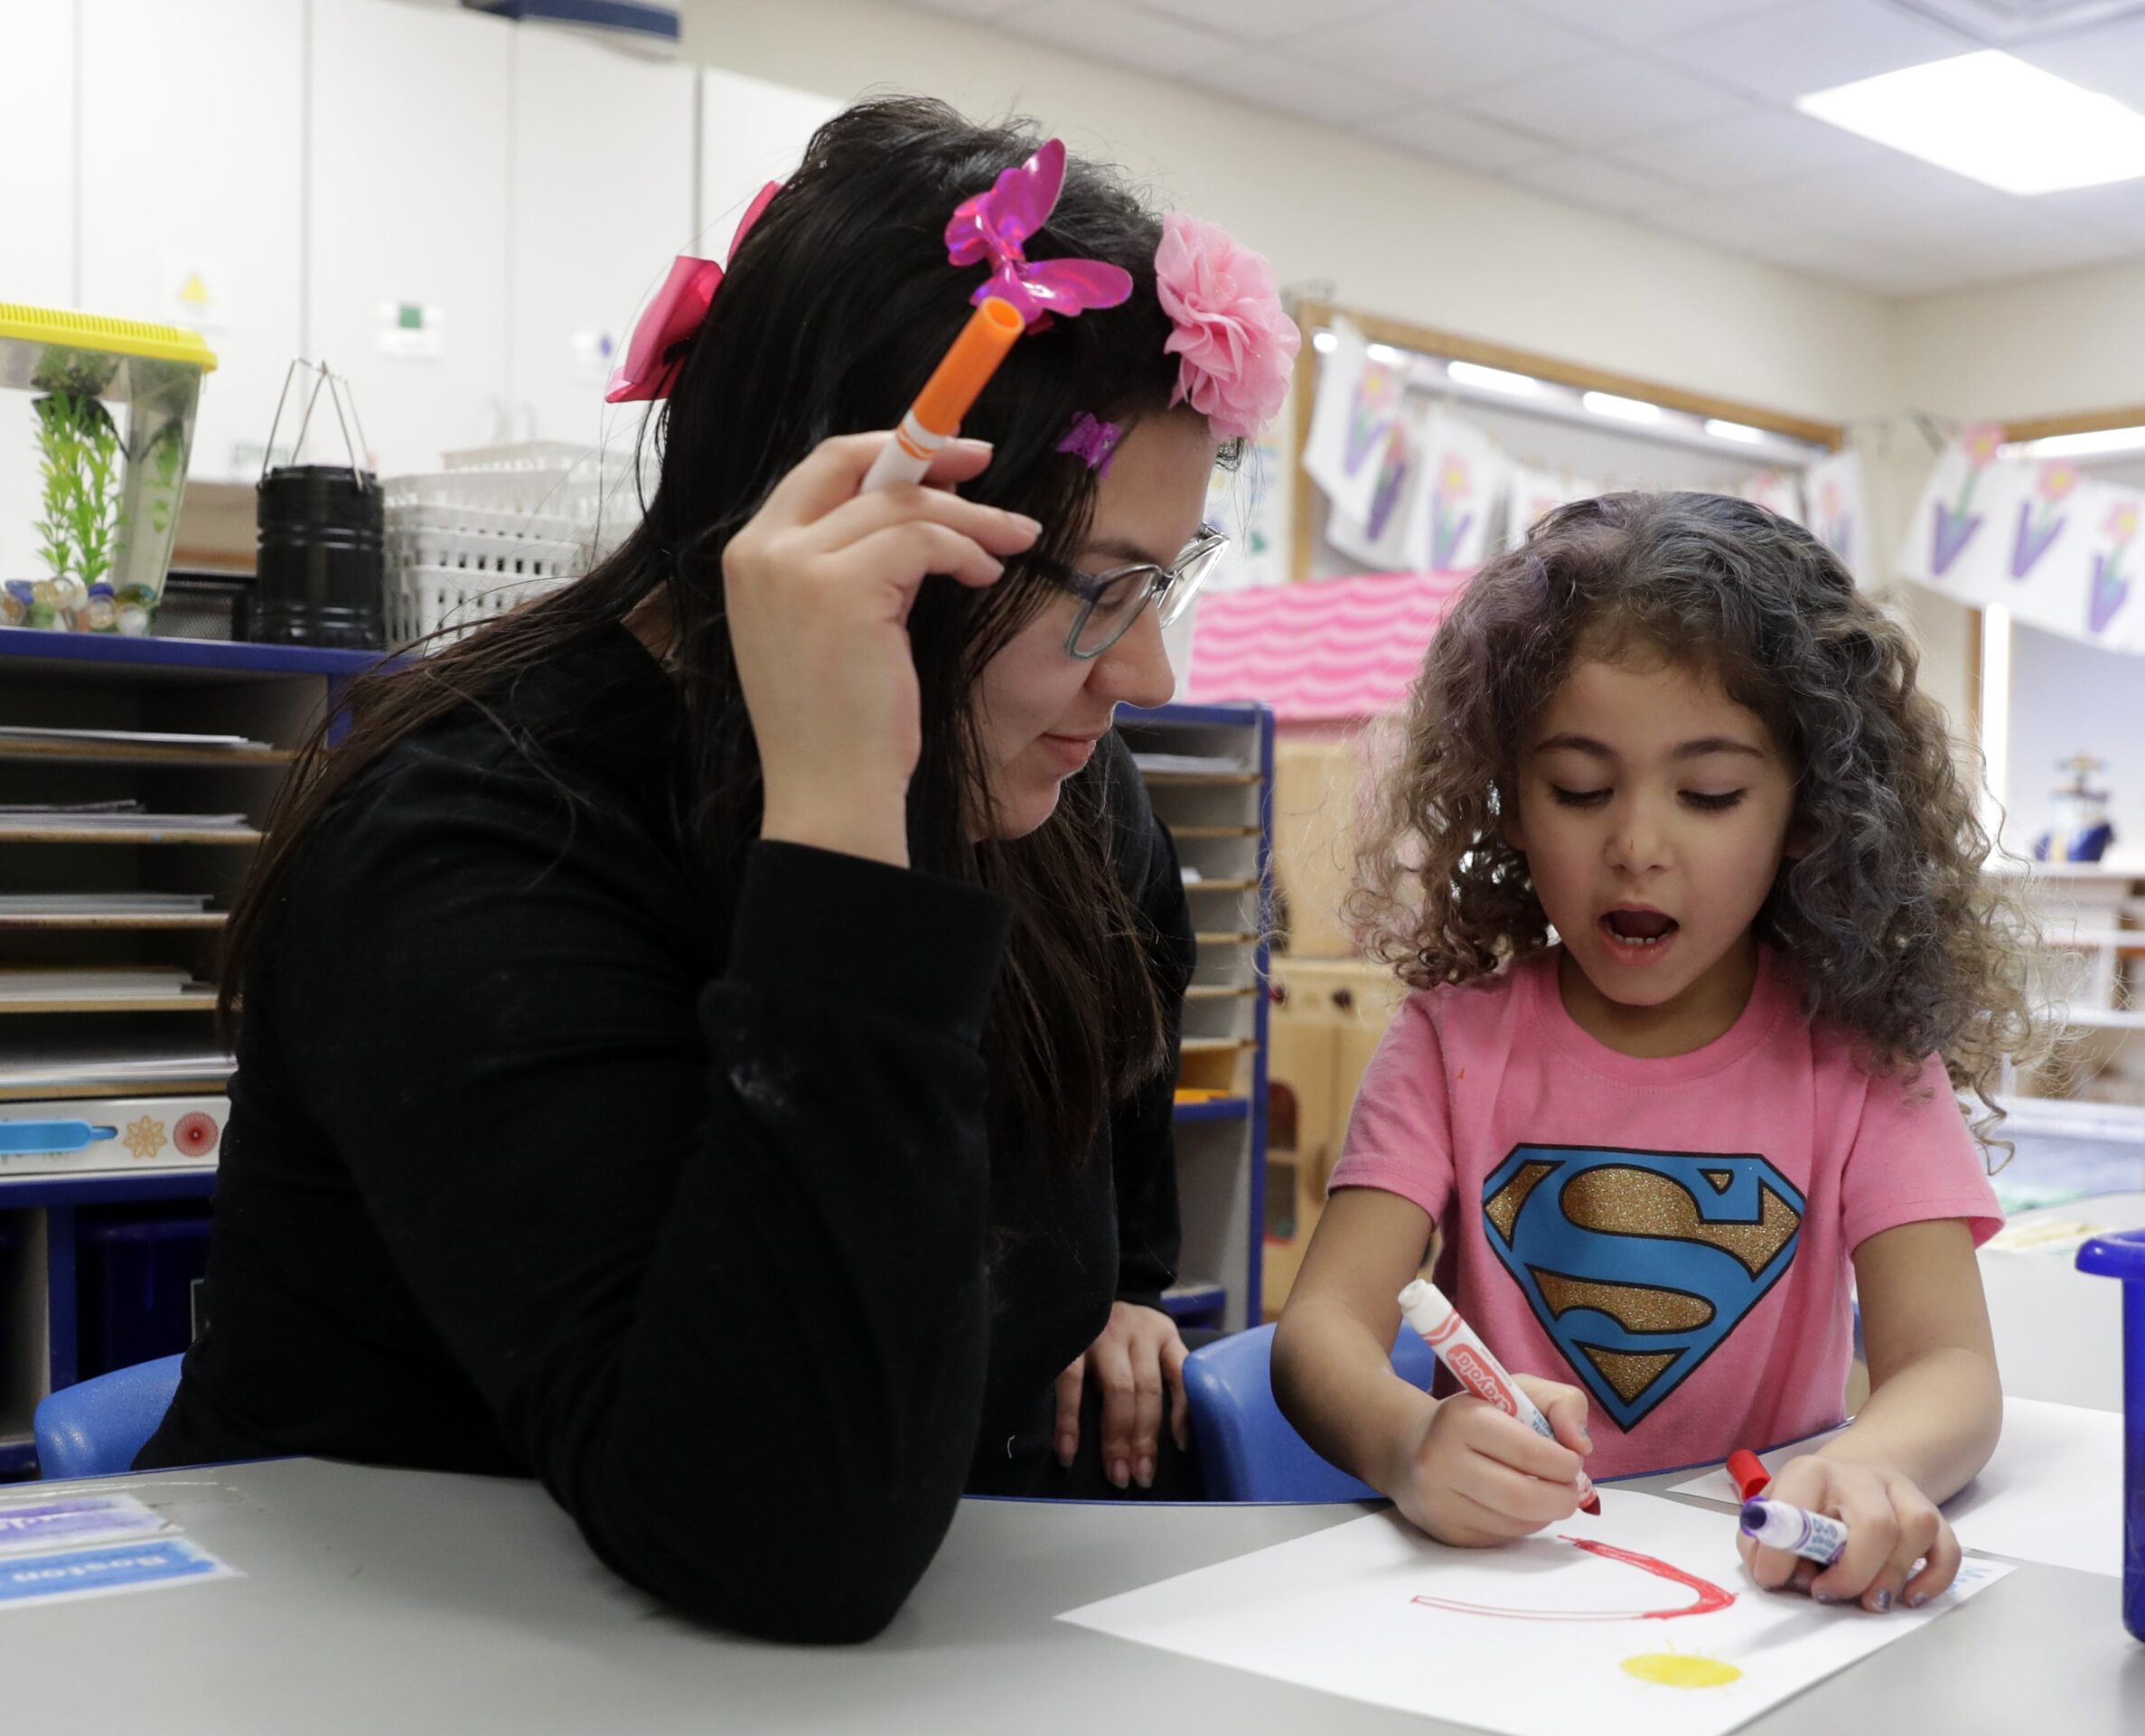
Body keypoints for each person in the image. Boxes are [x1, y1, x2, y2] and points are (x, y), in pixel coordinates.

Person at [137, 97, 1301, 1642]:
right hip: (363, 1672)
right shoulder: (468, 839)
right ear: (851, 535)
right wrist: (840, 810)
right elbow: (781, 1537)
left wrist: (1111, 1303)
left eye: (1167, 579)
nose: (1144, 672)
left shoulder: (1065, 807)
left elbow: (1099, 1202)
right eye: (1094, 596)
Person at [1273, 491, 2042, 1615]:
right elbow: (1320, 1332)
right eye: (1578, 789)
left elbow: (1951, 1371)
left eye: (1710, 793)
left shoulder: (1860, 1057)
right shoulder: (1450, 1039)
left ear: (1809, 810)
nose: (1636, 846)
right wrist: (1408, 1442)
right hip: (1498, 1606)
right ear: (1508, 797)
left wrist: (1873, 1463)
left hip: (1760, 1607)